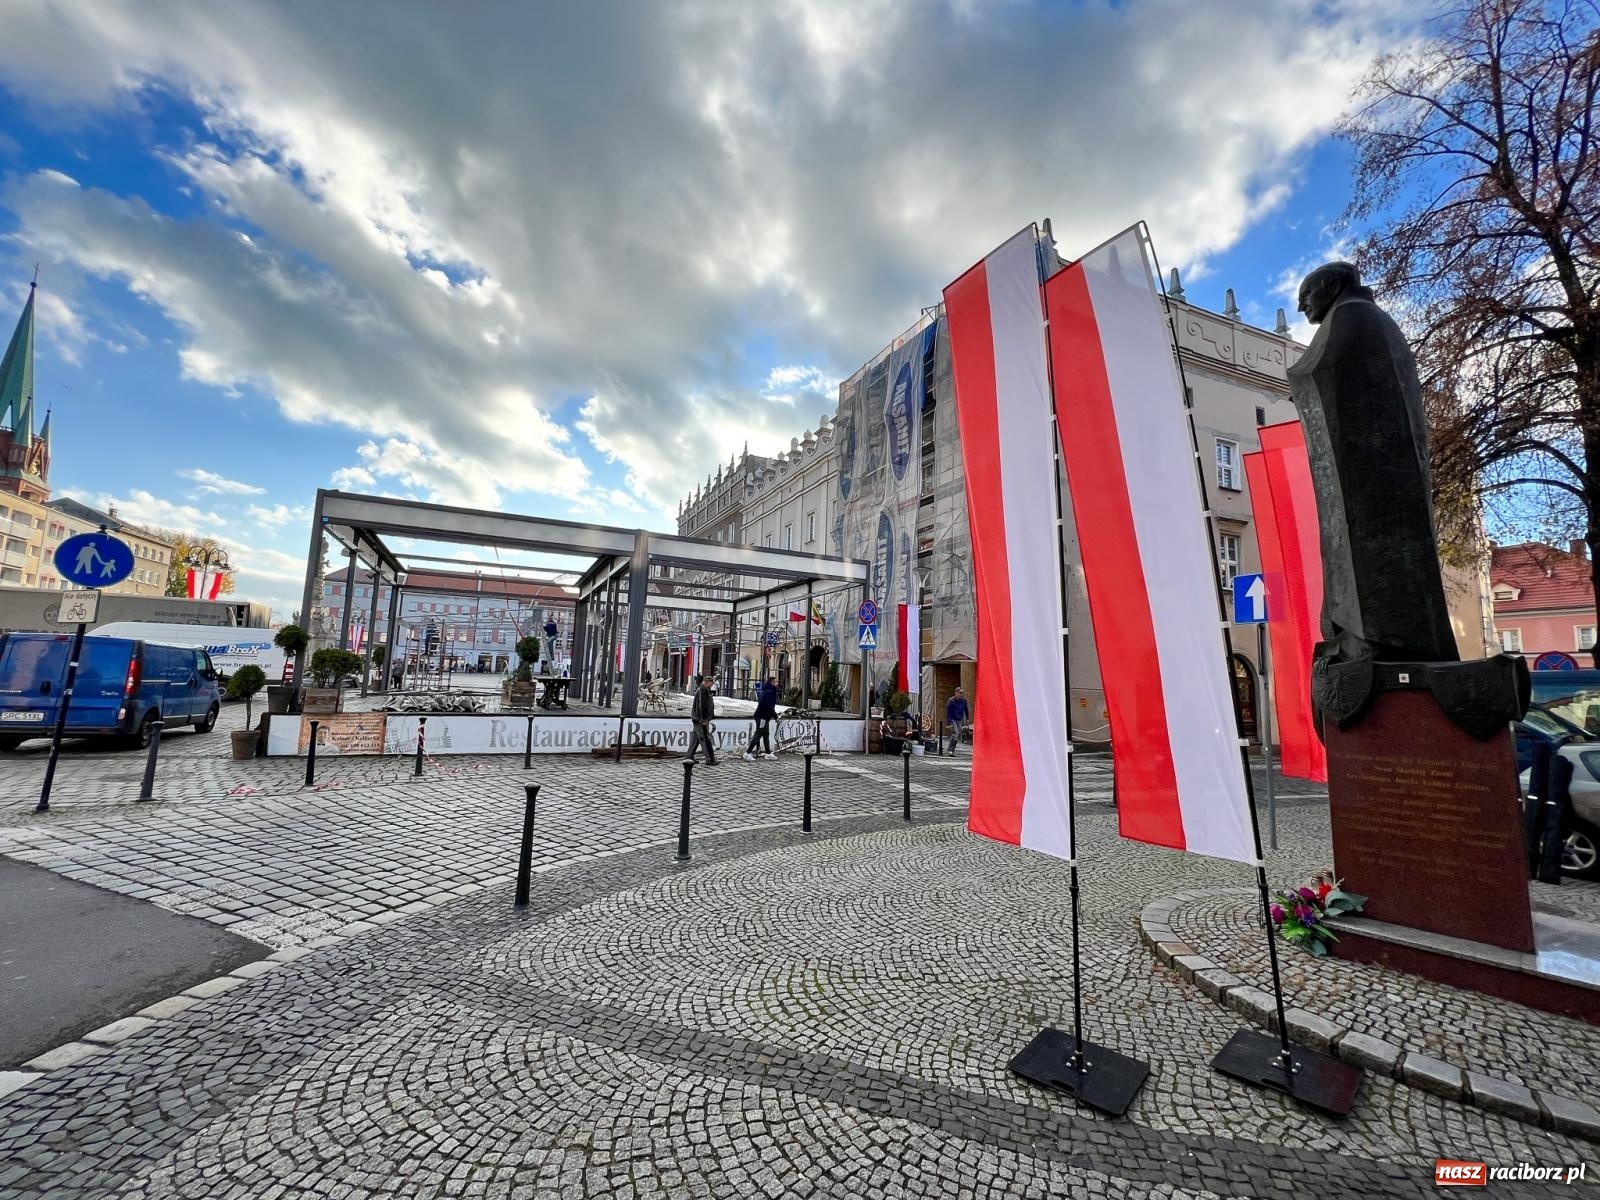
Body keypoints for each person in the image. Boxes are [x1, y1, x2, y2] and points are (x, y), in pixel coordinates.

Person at [686, 674, 718, 765]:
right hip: (700, 719)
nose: (712, 686)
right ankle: (710, 758)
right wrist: (704, 719)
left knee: (696, 738)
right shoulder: (703, 691)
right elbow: (702, 706)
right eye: (711, 684)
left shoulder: (703, 690)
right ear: (707, 682)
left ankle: (689, 756)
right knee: (705, 738)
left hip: (697, 718)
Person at [745, 675, 778, 760]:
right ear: (771, 682)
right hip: (762, 716)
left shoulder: (768, 690)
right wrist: (775, 716)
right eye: (775, 682)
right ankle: (748, 752)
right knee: (758, 734)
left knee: (766, 734)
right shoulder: (769, 692)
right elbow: (769, 706)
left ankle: (768, 753)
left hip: (764, 716)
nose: (776, 683)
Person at [945, 687, 969, 754]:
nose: (961, 695)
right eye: (960, 693)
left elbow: (966, 710)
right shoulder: (951, 701)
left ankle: (951, 749)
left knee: (957, 734)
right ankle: (950, 750)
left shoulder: (964, 701)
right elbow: (948, 712)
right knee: (956, 733)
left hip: (959, 719)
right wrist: (949, 722)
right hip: (952, 718)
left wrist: (967, 718)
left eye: (962, 693)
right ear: (956, 693)